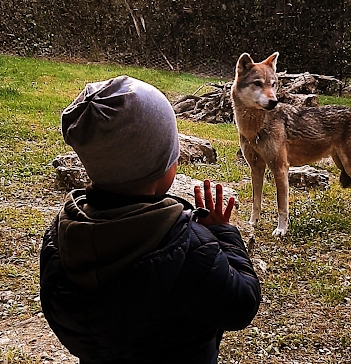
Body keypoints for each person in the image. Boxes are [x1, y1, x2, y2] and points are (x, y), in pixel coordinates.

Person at [39, 75, 261, 364]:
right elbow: (242, 304)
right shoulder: (189, 247)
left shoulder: (61, 235)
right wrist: (223, 233)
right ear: (160, 167)